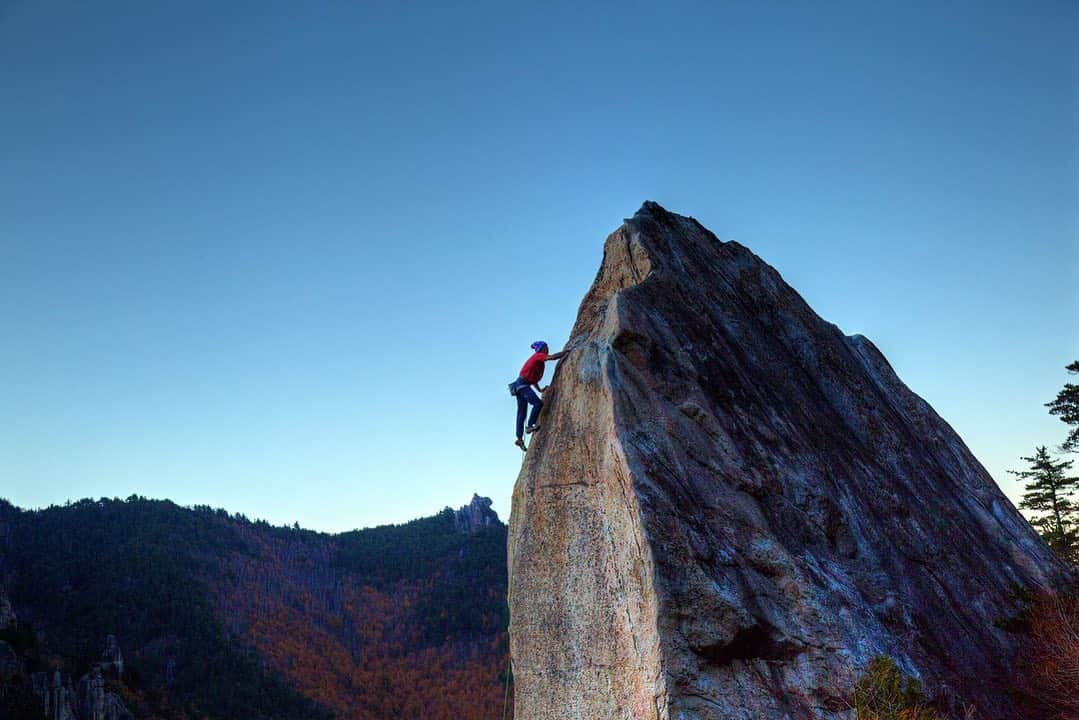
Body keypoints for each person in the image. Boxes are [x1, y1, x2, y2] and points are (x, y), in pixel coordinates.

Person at [509, 341, 568, 451]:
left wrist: (540, 390)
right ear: (542, 348)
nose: (548, 348)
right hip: (522, 385)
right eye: (546, 347)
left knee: (521, 413)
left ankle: (519, 438)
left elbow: (534, 380)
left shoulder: (539, 363)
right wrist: (567, 352)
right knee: (537, 403)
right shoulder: (538, 356)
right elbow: (553, 357)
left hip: (520, 385)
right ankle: (530, 426)